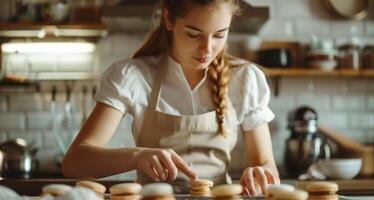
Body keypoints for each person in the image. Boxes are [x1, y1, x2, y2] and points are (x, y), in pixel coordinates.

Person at [62, 0, 279, 196]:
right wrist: (137, 156)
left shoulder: (245, 79)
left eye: (220, 34)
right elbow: (75, 163)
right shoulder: (133, 76)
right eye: (194, 33)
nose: (207, 48)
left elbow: (266, 164)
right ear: (168, 18)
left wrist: (261, 173)